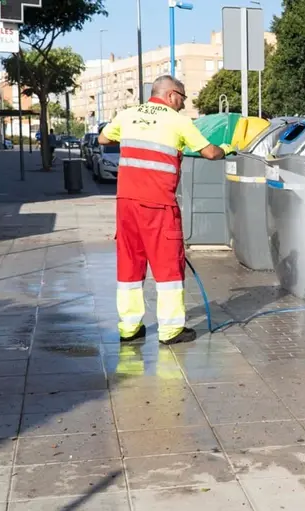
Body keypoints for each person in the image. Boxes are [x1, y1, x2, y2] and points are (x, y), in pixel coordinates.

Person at [98, 75, 236, 345]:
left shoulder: (127, 115)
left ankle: (129, 327)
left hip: (126, 203)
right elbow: (209, 152)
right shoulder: (177, 121)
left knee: (130, 264)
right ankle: (171, 330)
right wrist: (226, 149)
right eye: (182, 98)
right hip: (158, 205)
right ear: (172, 95)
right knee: (168, 265)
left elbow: (104, 138)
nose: (183, 104)